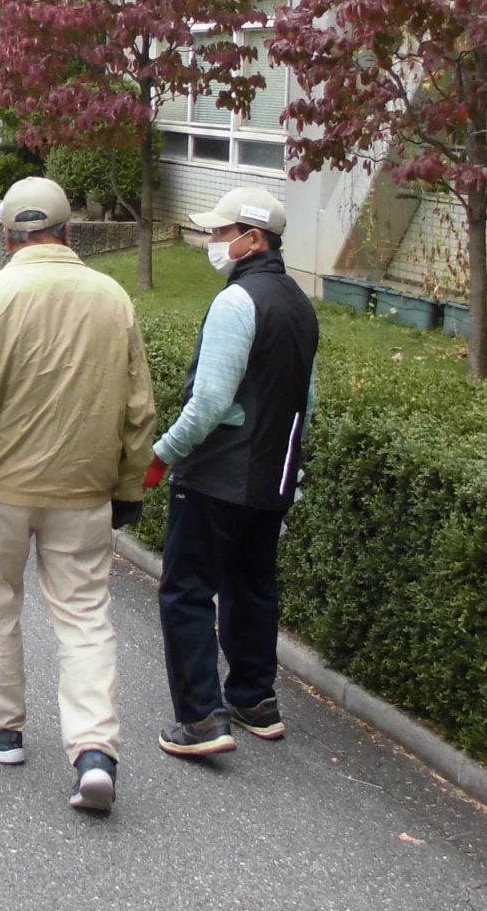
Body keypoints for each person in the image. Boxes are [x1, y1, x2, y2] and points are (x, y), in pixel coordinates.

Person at [0, 178, 155, 815]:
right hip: (84, 491)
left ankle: (1, 724)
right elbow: (140, 408)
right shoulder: (112, 298)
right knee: (85, 615)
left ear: (7, 236)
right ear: (69, 231)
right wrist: (128, 483)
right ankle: (93, 751)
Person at [153, 186, 319, 760]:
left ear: (253, 240)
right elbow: (308, 398)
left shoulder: (236, 302)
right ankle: (254, 699)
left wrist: (163, 454)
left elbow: (209, 404)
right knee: (253, 585)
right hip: (272, 476)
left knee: (186, 591)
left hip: (218, 476)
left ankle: (201, 718)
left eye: (221, 234)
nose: (211, 242)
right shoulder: (299, 302)